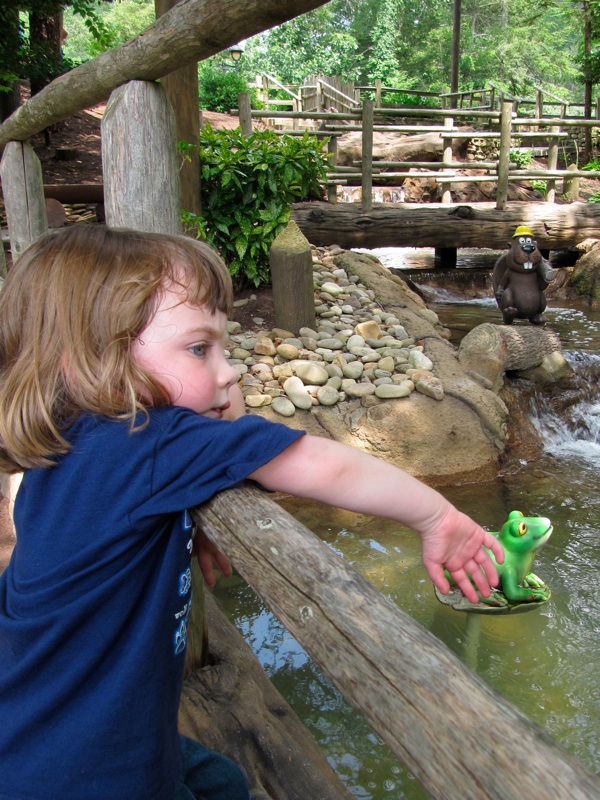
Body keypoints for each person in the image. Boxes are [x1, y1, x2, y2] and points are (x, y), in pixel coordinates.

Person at [0, 225, 503, 800]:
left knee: (221, 780)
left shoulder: (80, 446)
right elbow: (325, 465)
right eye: (198, 348)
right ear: (90, 361)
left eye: (223, 347)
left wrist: (183, 520)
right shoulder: (150, 441)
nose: (231, 370)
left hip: (36, 724)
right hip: (91, 767)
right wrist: (438, 518)